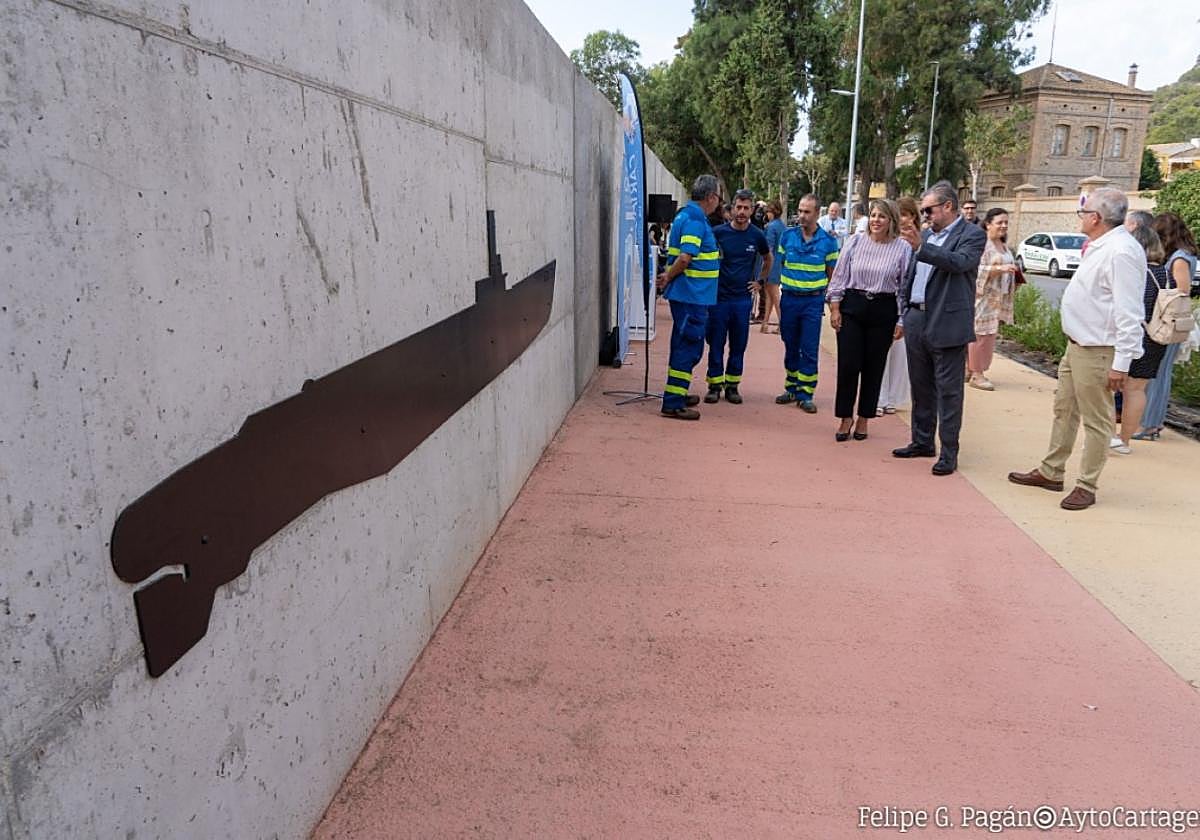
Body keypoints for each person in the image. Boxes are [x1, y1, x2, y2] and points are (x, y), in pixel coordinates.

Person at [1007, 187, 1145, 510]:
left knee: (1097, 420)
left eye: (1083, 213)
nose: (1080, 218)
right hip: (1078, 345)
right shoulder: (1103, 245)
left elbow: (1129, 312)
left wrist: (1121, 363)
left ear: (1095, 218)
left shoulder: (1121, 252)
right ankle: (1052, 471)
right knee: (1064, 410)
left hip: (1098, 349)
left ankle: (1087, 484)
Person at [893, 180, 987, 476]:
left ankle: (949, 451)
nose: (925, 215)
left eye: (929, 210)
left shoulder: (971, 235)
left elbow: (958, 263)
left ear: (948, 206)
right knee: (921, 385)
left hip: (947, 322)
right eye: (923, 211)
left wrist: (922, 247)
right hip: (917, 317)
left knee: (948, 391)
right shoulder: (924, 236)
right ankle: (922, 441)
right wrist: (906, 311)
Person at [826, 199, 911, 441]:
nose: (875, 220)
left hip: (883, 310)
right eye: (873, 215)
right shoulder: (854, 242)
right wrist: (834, 308)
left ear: (891, 221)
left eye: (881, 216)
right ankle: (845, 417)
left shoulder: (902, 248)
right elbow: (839, 277)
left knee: (874, 368)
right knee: (849, 365)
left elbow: (904, 288)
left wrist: (902, 320)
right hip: (853, 305)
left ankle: (864, 418)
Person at [656, 174, 722, 420]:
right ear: (711, 197)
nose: (718, 202)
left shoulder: (685, 214)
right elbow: (685, 257)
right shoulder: (695, 219)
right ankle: (673, 402)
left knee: (682, 342)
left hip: (690, 294)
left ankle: (678, 393)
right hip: (692, 295)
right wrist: (670, 277)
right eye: (718, 197)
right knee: (689, 345)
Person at [1134, 212, 1198, 440]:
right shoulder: (1183, 255)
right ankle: (1150, 422)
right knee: (1158, 373)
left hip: (1167, 322)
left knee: (1158, 375)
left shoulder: (1179, 258)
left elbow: (1181, 292)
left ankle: (1150, 424)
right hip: (1169, 322)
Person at [705, 189, 772, 404]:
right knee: (716, 342)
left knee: (738, 344)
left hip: (742, 300)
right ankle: (714, 385)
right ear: (732, 208)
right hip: (718, 298)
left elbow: (768, 259)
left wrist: (760, 282)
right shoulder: (717, 233)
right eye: (738, 207)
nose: (742, 212)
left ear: (752, 210)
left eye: (746, 208)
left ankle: (732, 386)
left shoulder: (757, 235)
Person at [775, 194, 840, 412]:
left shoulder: (829, 242)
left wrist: (833, 306)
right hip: (790, 300)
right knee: (790, 344)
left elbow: (833, 276)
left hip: (812, 301)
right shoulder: (787, 237)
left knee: (809, 348)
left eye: (807, 212)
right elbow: (781, 263)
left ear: (816, 213)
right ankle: (791, 387)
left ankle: (806, 393)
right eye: (800, 211)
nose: (802, 216)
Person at [1110, 225, 1170, 454]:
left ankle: (1108, 436)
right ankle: (1125, 440)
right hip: (1157, 338)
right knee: (1137, 390)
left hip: (1133, 335)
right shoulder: (1167, 273)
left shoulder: (1138, 272)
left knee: (1112, 388)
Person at [966, 208, 1019, 391]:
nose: (1004, 226)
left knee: (989, 335)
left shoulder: (1003, 246)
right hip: (983, 296)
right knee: (979, 335)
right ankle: (977, 373)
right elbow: (975, 269)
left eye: (1006, 222)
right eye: (999, 222)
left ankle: (969, 369)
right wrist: (1000, 269)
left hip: (998, 297)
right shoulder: (982, 244)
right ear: (988, 224)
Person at [877, 197, 919, 414]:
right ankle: (880, 397)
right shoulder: (888, 241)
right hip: (886, 303)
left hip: (906, 304)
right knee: (881, 352)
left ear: (913, 216)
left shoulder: (919, 242)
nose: (902, 219)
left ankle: (893, 397)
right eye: (898, 215)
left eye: (905, 214)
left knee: (899, 352)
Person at [761, 199, 787, 334]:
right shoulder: (782, 226)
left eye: (768, 212)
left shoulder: (771, 227)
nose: (767, 214)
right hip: (780, 260)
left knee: (774, 294)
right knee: (770, 293)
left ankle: (782, 324)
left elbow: (768, 247)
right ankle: (765, 323)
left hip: (771, 262)